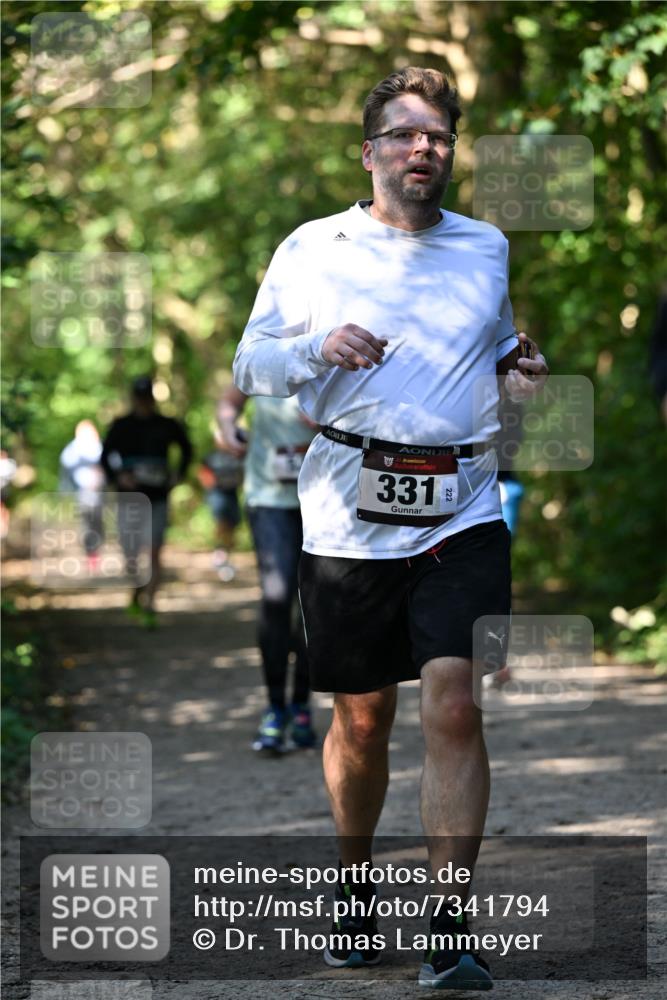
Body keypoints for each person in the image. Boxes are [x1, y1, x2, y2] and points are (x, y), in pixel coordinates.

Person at [233, 67, 549, 989]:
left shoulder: (484, 245)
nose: (425, 148)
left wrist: (515, 364)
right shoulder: (313, 248)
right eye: (406, 135)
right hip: (347, 511)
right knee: (362, 720)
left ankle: (447, 926)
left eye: (440, 136)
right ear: (368, 153)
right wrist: (313, 348)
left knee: (454, 700)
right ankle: (352, 884)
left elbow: (490, 339)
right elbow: (252, 363)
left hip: (463, 505)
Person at [217, 386, 318, 752]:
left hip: (325, 496)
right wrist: (228, 428)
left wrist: (336, 420)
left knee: (312, 603)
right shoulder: (265, 338)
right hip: (269, 496)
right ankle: (275, 708)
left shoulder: (345, 340)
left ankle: (302, 705)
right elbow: (229, 401)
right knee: (276, 596)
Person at [101, 375, 192, 628]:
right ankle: (136, 590)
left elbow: (186, 449)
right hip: (129, 498)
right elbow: (105, 455)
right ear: (133, 398)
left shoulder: (167, 424)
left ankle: (150, 603)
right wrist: (118, 477)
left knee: (153, 550)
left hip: (158, 496)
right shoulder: (121, 425)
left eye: (146, 398)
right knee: (130, 553)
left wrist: (178, 474)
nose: (143, 403)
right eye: (139, 398)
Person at [197, 431, 244, 581]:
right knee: (221, 523)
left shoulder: (237, 456)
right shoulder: (211, 457)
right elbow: (204, 474)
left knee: (232, 525)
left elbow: (243, 473)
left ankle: (225, 555)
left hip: (232, 494)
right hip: (217, 494)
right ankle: (219, 554)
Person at [59, 420, 105, 572]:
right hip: (82, 494)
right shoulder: (72, 451)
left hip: (101, 493)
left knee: (98, 524)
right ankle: (91, 554)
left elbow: (112, 465)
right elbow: (65, 474)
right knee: (86, 524)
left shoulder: (100, 447)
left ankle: (96, 550)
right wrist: (65, 492)